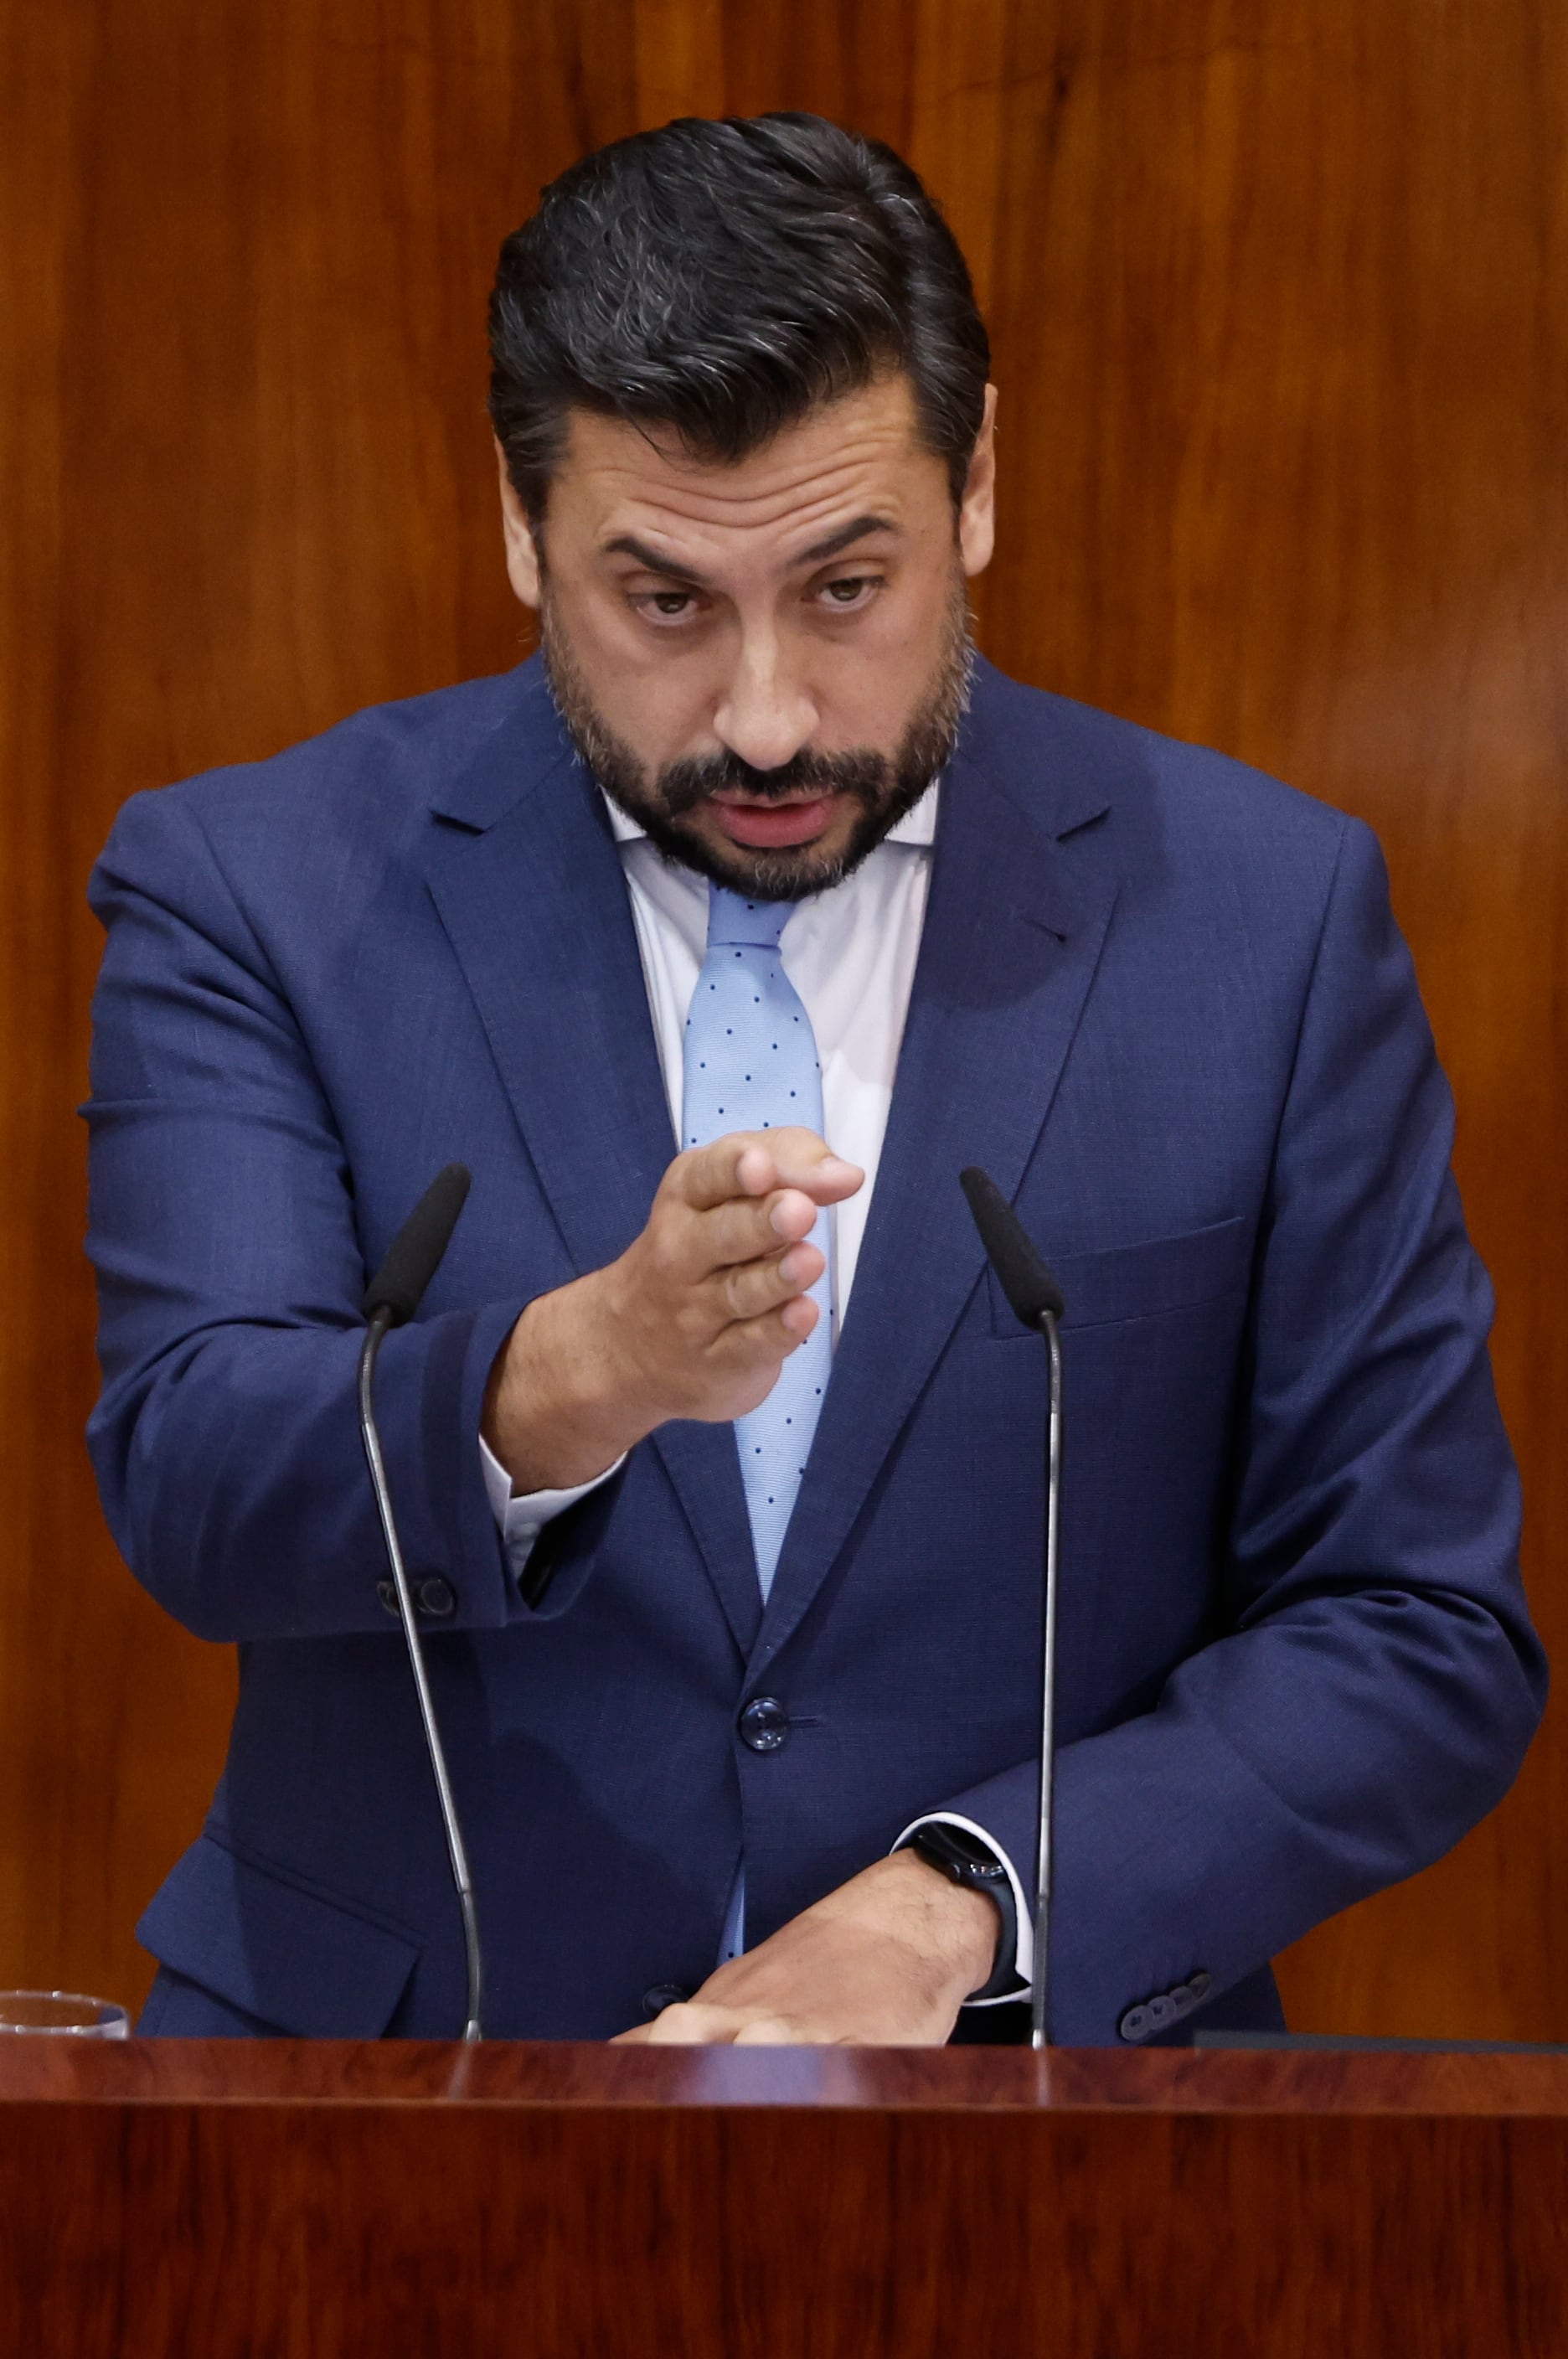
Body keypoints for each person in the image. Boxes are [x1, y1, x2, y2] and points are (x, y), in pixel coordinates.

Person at [86, 112, 1545, 2047]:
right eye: (665, 600)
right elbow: (196, 1479)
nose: (765, 713)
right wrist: (572, 1376)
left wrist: (962, 1909)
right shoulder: (257, 887)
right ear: (522, 523)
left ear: (981, 485)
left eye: (846, 587)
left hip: (1047, 2187)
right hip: (395, 2136)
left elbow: (1417, 1625)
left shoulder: (1265, 923)